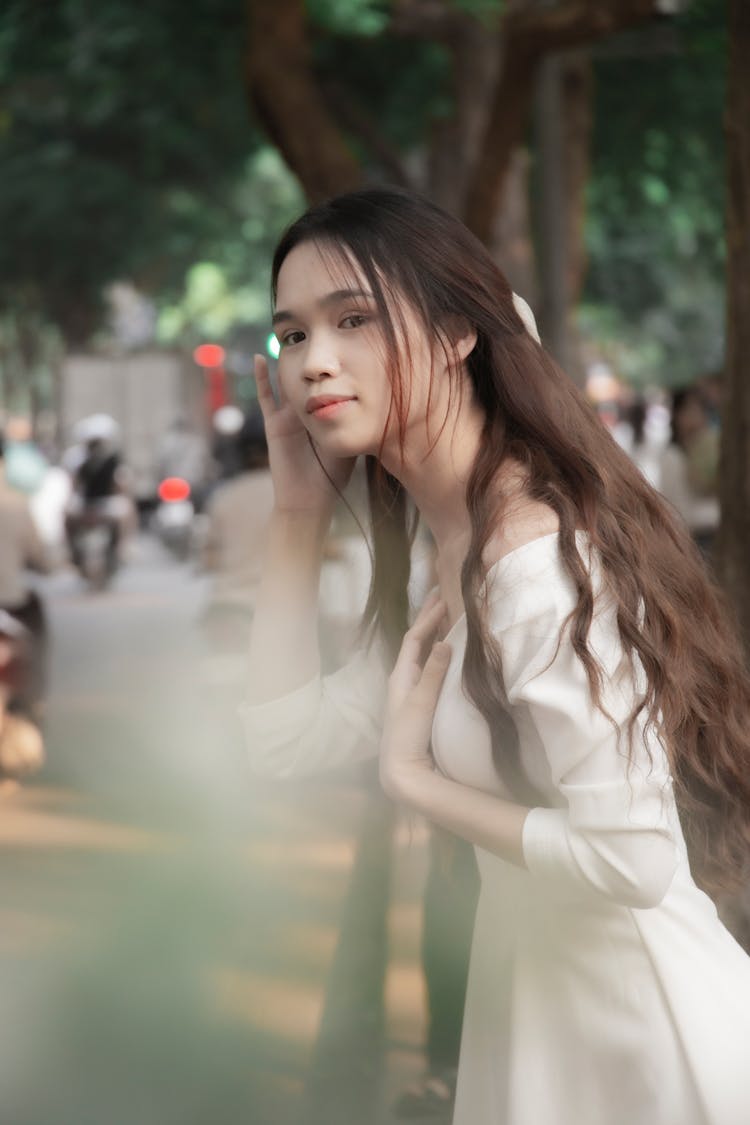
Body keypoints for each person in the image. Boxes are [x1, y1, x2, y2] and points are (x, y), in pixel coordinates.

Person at [240, 187, 750, 1125]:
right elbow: (282, 739)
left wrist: (417, 782)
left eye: (352, 318)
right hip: (542, 1025)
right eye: (293, 335)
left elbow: (632, 859)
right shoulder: (454, 557)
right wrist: (298, 510)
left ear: (455, 333)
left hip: (646, 1050)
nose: (315, 360)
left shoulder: (531, 562)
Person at [658, 385, 720, 556]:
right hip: (696, 545)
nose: (696, 418)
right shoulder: (672, 457)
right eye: (689, 411)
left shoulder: (705, 450)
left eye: (699, 410)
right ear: (677, 416)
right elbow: (680, 514)